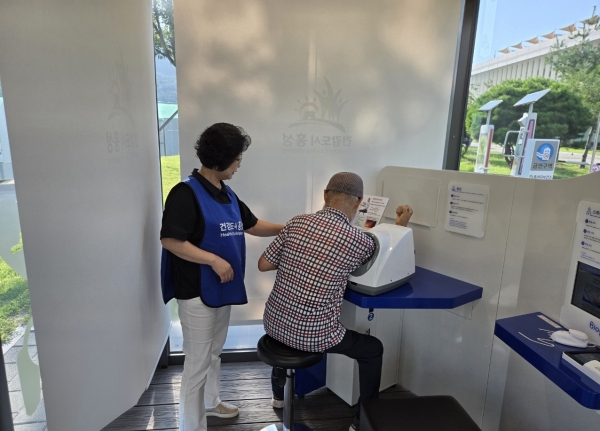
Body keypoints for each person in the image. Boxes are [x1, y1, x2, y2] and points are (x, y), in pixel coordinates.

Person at [257, 172, 413, 431]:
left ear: (325, 195)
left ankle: (278, 396)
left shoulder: (296, 222)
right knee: (373, 349)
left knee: (286, 330)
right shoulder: (358, 241)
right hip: (314, 335)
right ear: (359, 202)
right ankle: (361, 420)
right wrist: (401, 225)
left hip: (273, 323)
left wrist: (297, 261)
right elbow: (377, 263)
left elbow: (264, 264)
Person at [160, 123, 284, 431]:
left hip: (221, 288)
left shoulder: (225, 192)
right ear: (220, 160)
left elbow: (251, 224)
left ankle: (210, 402)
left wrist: (289, 227)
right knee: (197, 363)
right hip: (196, 291)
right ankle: (191, 426)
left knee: (213, 352)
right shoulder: (185, 193)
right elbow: (170, 240)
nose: (239, 164)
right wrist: (213, 260)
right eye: (237, 159)